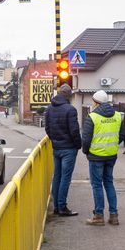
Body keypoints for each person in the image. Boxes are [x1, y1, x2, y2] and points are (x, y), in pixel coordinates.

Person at [83, 90, 125, 226]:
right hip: (111, 155)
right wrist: (112, 145)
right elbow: (123, 134)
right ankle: (114, 216)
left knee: (96, 185)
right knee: (109, 183)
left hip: (96, 156)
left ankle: (98, 216)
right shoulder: (118, 115)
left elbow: (86, 139)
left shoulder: (93, 117)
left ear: (96, 102)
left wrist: (86, 152)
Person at [45, 83, 82, 216]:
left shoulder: (50, 108)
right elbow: (74, 130)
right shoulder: (70, 109)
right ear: (69, 95)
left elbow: (47, 128)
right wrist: (78, 145)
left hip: (56, 147)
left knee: (57, 176)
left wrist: (54, 140)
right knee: (65, 178)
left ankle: (56, 206)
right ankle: (62, 207)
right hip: (69, 148)